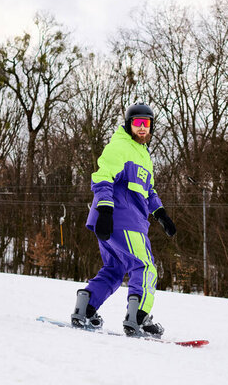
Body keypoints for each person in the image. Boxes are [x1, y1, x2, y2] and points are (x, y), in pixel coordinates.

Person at [70, 102, 177, 338]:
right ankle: (138, 317)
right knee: (145, 266)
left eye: (146, 124)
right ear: (128, 125)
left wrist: (161, 214)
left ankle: (85, 308)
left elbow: (147, 191)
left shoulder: (143, 155)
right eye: (137, 123)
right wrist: (106, 211)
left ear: (151, 128)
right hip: (121, 219)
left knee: (115, 268)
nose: (141, 128)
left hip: (126, 220)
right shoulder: (119, 147)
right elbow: (102, 178)